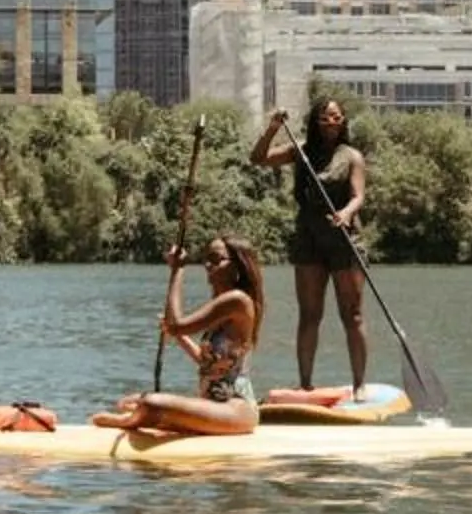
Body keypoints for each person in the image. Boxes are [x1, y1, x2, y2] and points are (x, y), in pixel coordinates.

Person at [254, 99, 369, 399]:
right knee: (309, 315)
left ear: (343, 121)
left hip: (344, 240)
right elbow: (259, 158)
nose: (331, 122)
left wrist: (345, 213)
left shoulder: (352, 156)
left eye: (336, 117)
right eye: (325, 117)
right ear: (315, 121)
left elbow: (358, 196)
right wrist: (273, 129)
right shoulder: (300, 151)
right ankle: (305, 383)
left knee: (352, 315)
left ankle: (360, 385)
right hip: (309, 239)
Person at [93, 236, 265, 436]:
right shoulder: (222, 303)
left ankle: (136, 420)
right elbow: (205, 361)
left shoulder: (238, 300)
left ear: (237, 266)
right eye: (207, 259)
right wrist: (178, 336)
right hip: (213, 406)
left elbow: (177, 324)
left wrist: (178, 269)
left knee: (149, 402)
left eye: (217, 259)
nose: (209, 265)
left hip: (236, 409)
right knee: (129, 402)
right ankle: (153, 417)